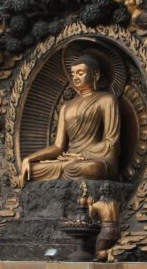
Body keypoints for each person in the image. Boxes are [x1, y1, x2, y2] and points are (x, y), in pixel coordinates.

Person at [20, 55, 120, 183]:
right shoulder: (66, 106)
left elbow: (111, 142)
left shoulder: (106, 100)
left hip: (92, 160)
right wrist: (29, 159)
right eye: (73, 74)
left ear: (95, 75)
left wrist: (81, 156)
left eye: (80, 73)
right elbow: (58, 147)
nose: (75, 77)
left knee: (87, 168)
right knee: (33, 170)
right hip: (67, 160)